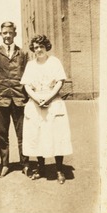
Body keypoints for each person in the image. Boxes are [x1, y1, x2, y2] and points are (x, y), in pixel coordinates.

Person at [20, 35, 73, 184]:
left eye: (41, 46)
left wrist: (49, 97)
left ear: (46, 47)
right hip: (36, 103)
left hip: (53, 102)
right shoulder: (30, 65)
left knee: (56, 135)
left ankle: (59, 170)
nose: (39, 50)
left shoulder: (54, 62)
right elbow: (26, 85)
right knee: (38, 136)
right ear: (33, 49)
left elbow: (60, 82)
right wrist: (37, 98)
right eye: (36, 47)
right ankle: (41, 168)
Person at [0, 21, 30, 178]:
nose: (7, 35)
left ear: (14, 34)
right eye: (4, 33)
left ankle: (25, 164)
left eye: (10, 33)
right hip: (1, 99)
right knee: (2, 134)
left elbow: (28, 73)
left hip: (19, 98)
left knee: (22, 133)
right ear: (1, 34)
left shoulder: (23, 54)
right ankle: (4, 165)